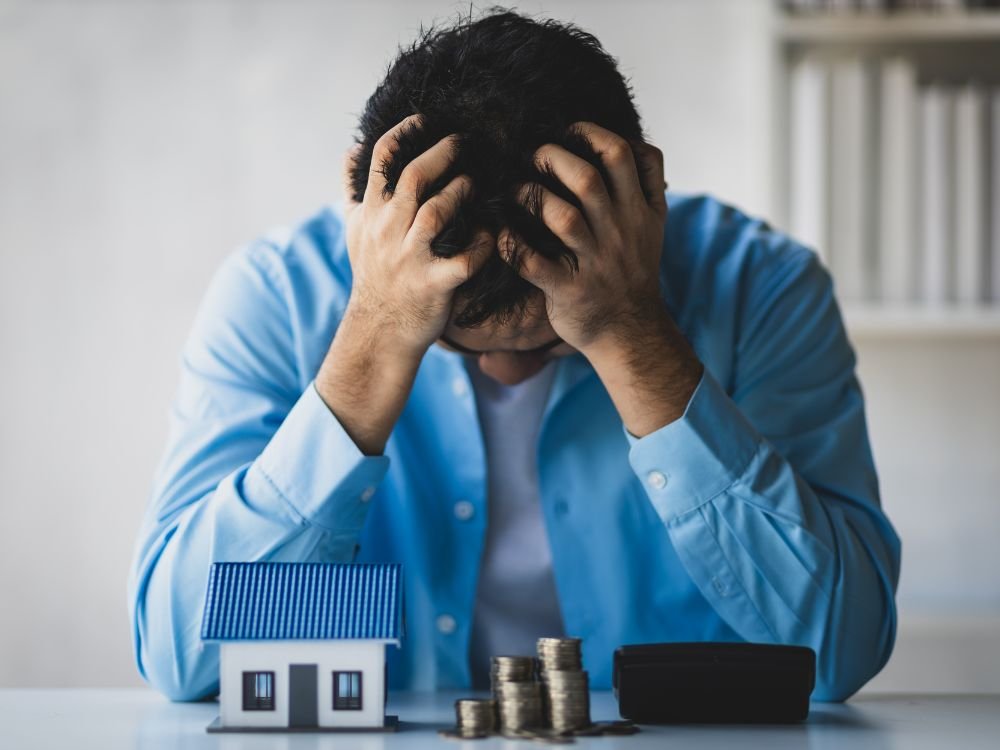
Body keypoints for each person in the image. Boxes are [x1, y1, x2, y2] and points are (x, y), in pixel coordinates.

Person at [127, 8, 900, 703]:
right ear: (361, 201)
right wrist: (375, 338)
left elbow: (839, 652)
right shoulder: (275, 297)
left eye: (554, 339)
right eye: (454, 341)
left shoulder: (762, 289)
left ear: (646, 193)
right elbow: (178, 657)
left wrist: (630, 330)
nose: (507, 371)